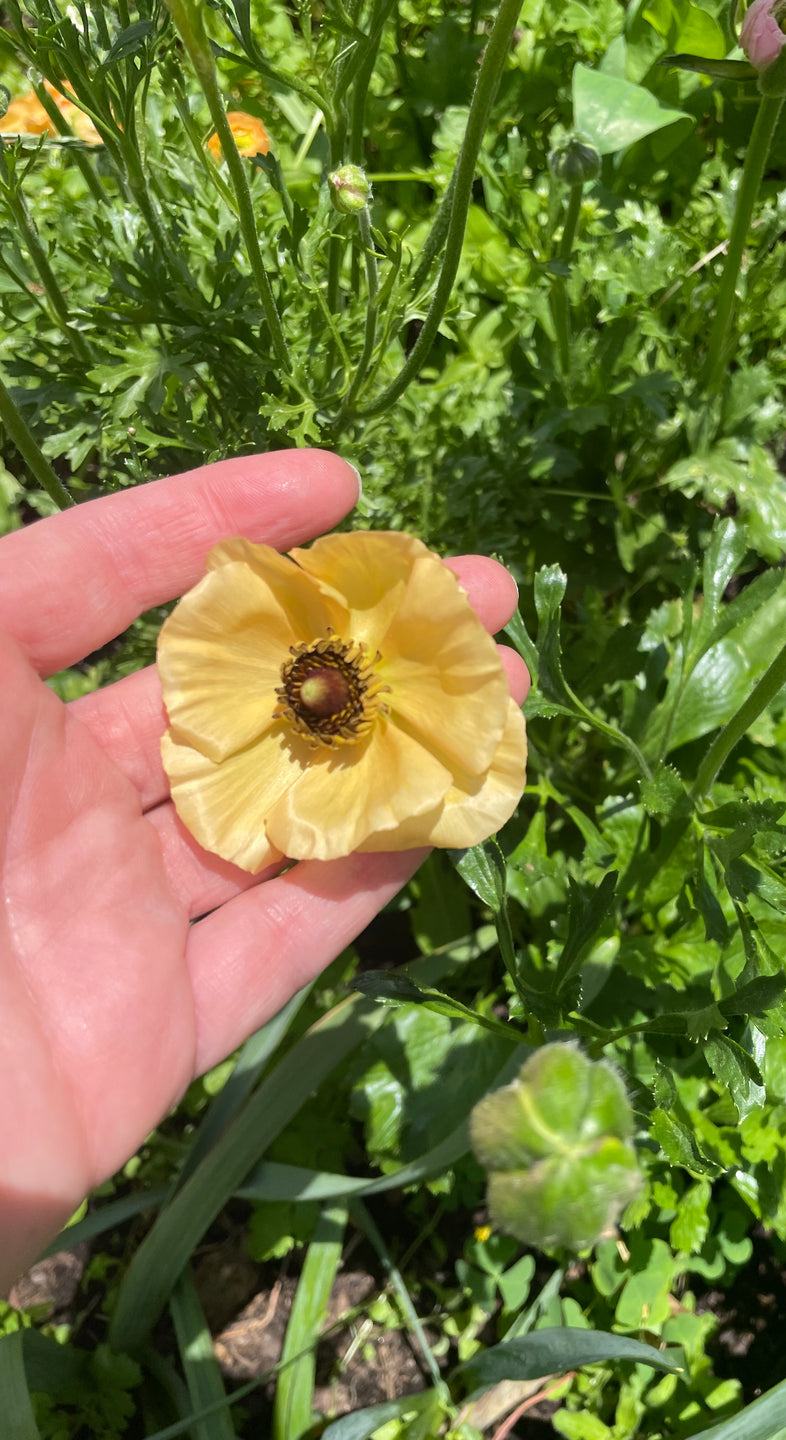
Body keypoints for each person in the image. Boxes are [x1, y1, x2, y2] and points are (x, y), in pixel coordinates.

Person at [0, 450, 530, 1293]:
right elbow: (238, 786)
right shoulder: (272, 699)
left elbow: (405, 590)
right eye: (310, 688)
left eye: (325, 688)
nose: (316, 697)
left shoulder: (401, 611)